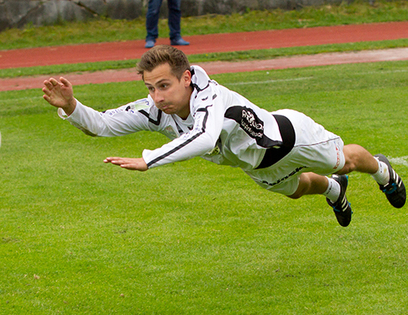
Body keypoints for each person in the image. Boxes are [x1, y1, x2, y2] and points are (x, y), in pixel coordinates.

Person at [42, 45, 405, 227]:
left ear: (186, 78)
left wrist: (149, 158)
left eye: (164, 86)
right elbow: (102, 125)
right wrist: (72, 107)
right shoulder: (154, 109)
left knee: (348, 160)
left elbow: (202, 137)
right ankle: (334, 190)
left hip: (290, 138)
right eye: (151, 88)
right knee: (298, 190)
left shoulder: (211, 97)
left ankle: (384, 174)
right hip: (255, 164)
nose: (157, 97)